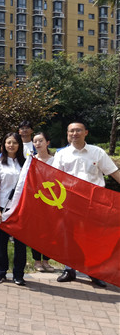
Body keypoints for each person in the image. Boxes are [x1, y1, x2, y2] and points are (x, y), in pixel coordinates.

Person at [53, 120, 120, 287]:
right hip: (70, 202)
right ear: (67, 134)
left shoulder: (97, 152)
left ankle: (93, 272)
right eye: (71, 131)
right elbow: (54, 178)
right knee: (70, 236)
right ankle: (69, 269)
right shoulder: (61, 154)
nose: (74, 134)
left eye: (78, 130)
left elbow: (114, 172)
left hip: (94, 203)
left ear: (86, 133)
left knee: (93, 237)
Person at [0, 133, 27, 286]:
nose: (11, 145)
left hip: (21, 208)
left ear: (19, 145)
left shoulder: (26, 164)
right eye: (8, 142)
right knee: (1, 242)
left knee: (20, 244)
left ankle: (18, 275)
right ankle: (0, 272)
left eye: (14, 143)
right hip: (3, 208)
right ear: (4, 145)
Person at [31, 132, 55, 272]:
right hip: (36, 201)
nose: (38, 144)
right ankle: (37, 261)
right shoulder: (31, 160)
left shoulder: (55, 161)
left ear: (48, 142)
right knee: (36, 232)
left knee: (50, 232)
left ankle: (46, 261)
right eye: (35, 141)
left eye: (41, 140)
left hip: (52, 201)